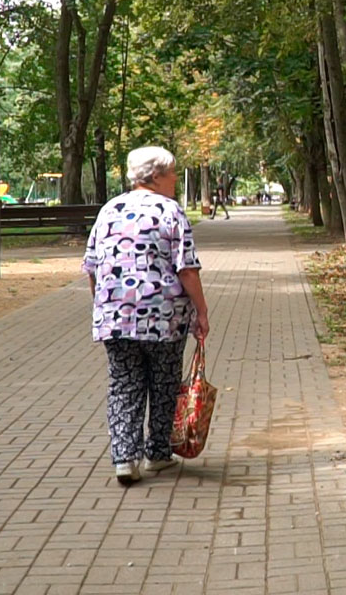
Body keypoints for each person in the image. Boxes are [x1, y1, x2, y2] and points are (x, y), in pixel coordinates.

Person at [82, 146, 210, 486]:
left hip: (116, 317)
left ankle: (125, 458)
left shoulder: (109, 210)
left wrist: (102, 304)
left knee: (124, 383)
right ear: (155, 176)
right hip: (164, 317)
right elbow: (187, 269)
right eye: (172, 174)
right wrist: (202, 310)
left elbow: (92, 266)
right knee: (164, 381)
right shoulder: (170, 212)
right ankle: (156, 454)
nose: (175, 180)